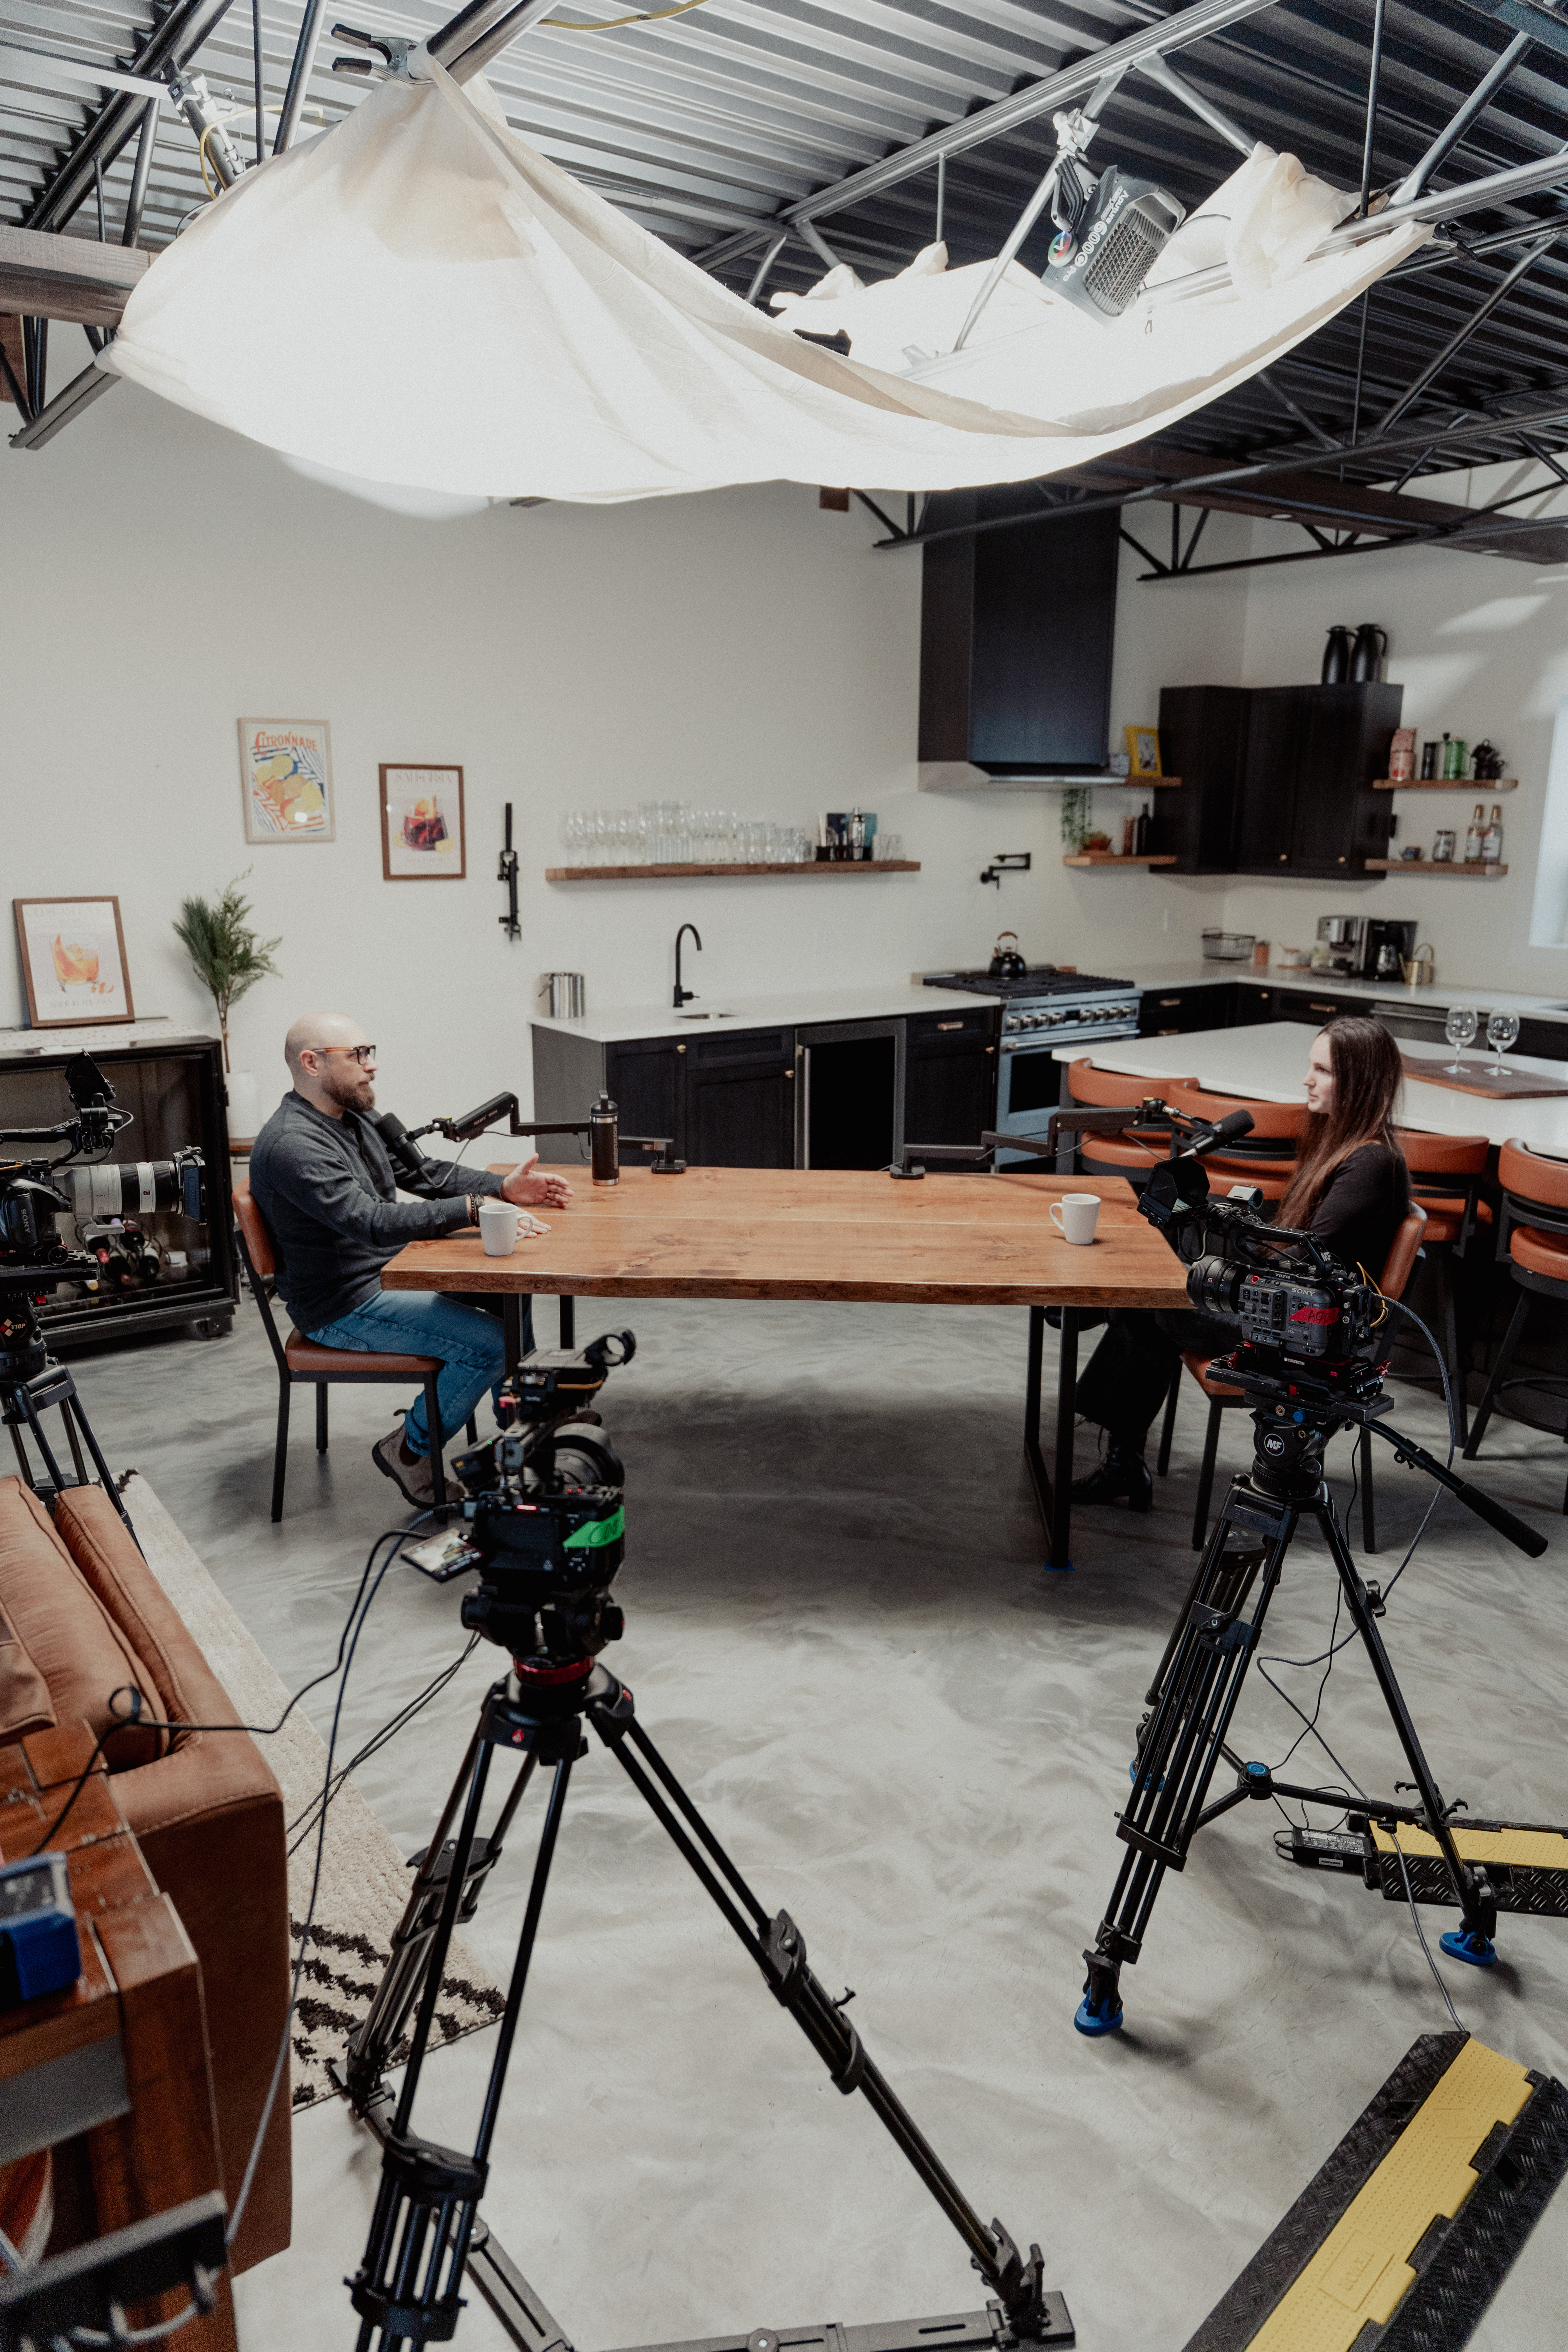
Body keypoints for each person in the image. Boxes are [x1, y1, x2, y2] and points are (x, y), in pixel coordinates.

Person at [1069, 1015, 1412, 1512]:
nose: (1307, 1079)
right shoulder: (1344, 1150)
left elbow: (1307, 1258)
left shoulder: (1371, 1163)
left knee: (1153, 1301)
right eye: (1310, 1067)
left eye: (1324, 1070)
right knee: (1152, 1298)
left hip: (1301, 1336)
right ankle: (1123, 1455)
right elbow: (1302, 1251)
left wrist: (1232, 1272)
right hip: (1286, 1312)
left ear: (1360, 1082)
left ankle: (1121, 1453)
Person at [249, 1013, 573, 1508]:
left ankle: (522, 1429)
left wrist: (501, 1188)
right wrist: (473, 1209)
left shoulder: (353, 1118)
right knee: (491, 1344)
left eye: (370, 1051)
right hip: (342, 1305)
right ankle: (408, 1449)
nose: (372, 1066)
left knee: (510, 1291)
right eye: (357, 1056)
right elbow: (371, 1221)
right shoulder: (294, 1144)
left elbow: (426, 1175)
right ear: (311, 1063)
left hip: (388, 1273)